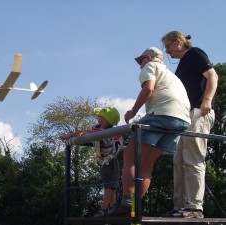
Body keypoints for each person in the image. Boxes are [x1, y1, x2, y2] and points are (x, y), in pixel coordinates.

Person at [109, 47, 191, 217]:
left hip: (162, 115)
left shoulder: (151, 66)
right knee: (147, 163)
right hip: (182, 120)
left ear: (148, 57)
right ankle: (135, 206)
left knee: (130, 156)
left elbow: (148, 89)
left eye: (140, 61)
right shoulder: (172, 76)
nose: (140, 66)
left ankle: (126, 205)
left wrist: (132, 111)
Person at [161, 31, 218, 218]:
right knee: (179, 161)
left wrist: (206, 101)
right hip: (183, 117)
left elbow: (212, 76)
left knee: (193, 160)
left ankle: (194, 207)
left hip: (198, 113)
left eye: (168, 46)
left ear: (178, 41)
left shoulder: (195, 54)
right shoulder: (183, 64)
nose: (167, 51)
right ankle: (180, 206)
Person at [59, 106, 123, 217]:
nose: (97, 117)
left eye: (100, 116)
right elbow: (87, 131)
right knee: (111, 185)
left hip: (110, 161)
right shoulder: (98, 129)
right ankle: (112, 207)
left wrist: (84, 133)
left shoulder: (111, 132)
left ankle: (104, 209)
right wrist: (71, 135)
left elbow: (97, 135)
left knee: (109, 186)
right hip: (104, 162)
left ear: (105, 120)